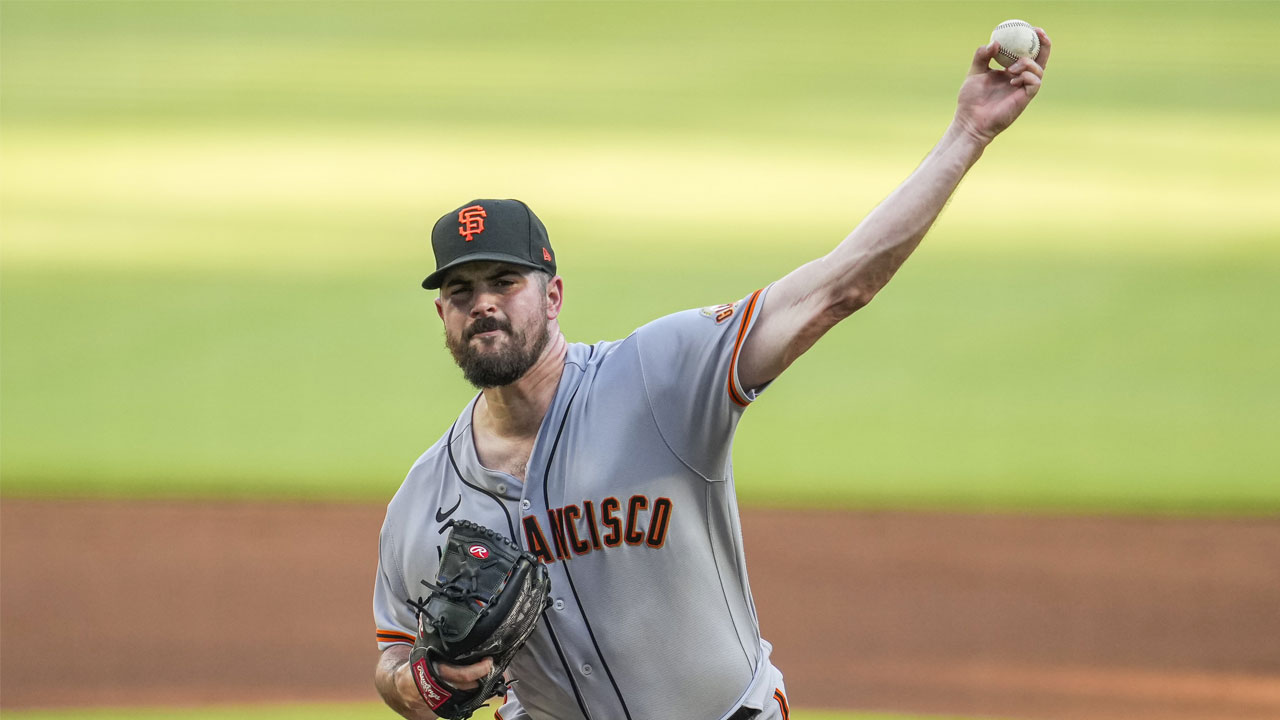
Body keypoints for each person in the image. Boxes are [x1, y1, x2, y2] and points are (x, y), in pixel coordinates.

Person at [373, 34, 1050, 720]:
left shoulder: (658, 377)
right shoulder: (422, 502)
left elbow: (835, 289)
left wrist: (966, 134)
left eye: (504, 281)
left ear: (552, 296)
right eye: (461, 292)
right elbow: (395, 659)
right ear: (443, 314)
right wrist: (428, 685)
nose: (483, 303)